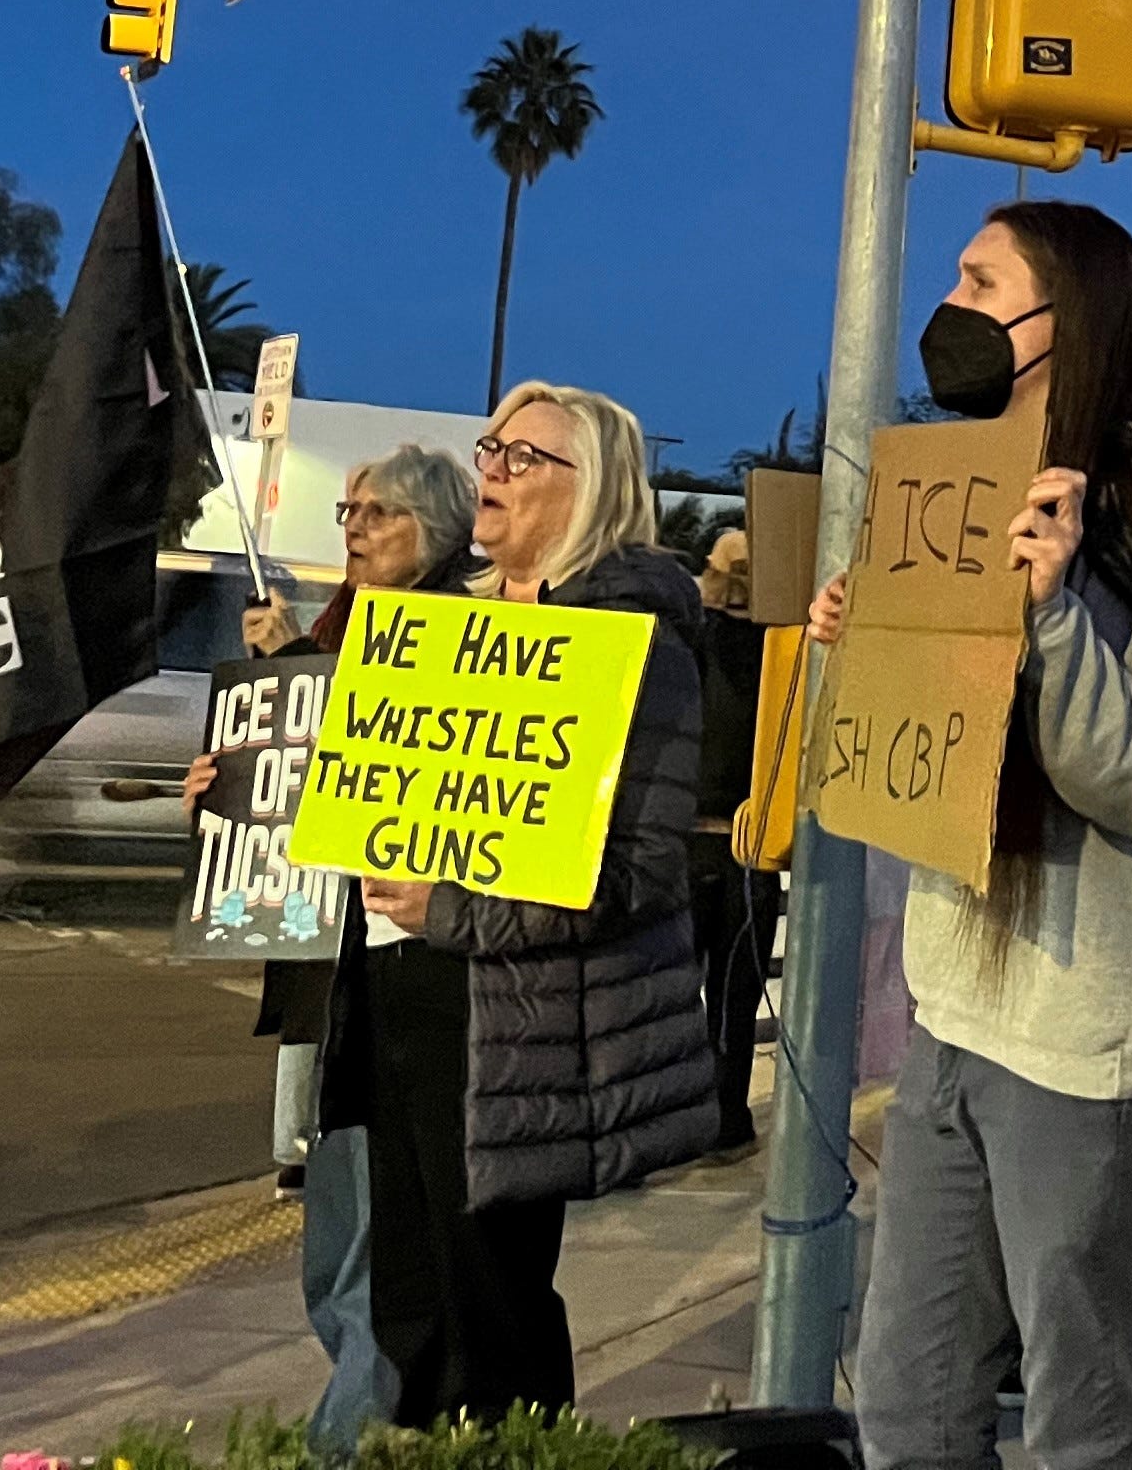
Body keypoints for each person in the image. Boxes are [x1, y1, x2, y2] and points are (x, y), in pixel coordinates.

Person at [809, 199, 1132, 1470]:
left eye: (978, 278)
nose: (948, 305)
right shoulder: (967, 484)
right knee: (906, 1398)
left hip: (1087, 1046)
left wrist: (1054, 616)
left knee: (1088, 1420)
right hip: (960, 1010)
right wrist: (876, 640)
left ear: (1070, 316)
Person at [334, 383, 704, 1427]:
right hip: (398, 991)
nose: (491, 467)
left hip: (515, 1029)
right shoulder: (441, 623)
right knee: (407, 1301)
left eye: (525, 456)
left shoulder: (635, 643)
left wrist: (456, 915)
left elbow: (636, 873)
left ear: (594, 493)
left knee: (489, 1307)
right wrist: (244, 788)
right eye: (493, 446)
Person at [205, 443, 476, 1452]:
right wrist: (226, 788)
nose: (354, 528)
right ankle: (370, 1413)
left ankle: (348, 1434)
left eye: (379, 512)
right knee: (331, 1238)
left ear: (438, 530)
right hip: (330, 972)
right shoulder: (336, 637)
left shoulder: (448, 642)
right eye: (350, 512)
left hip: (405, 976)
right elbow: (291, 801)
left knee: (370, 1238)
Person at [688, 521, 778, 1155]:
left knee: (672, 994)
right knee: (734, 998)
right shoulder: (781, 653)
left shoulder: (688, 644)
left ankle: (680, 1118)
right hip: (750, 848)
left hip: (687, 842)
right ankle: (725, 1116)